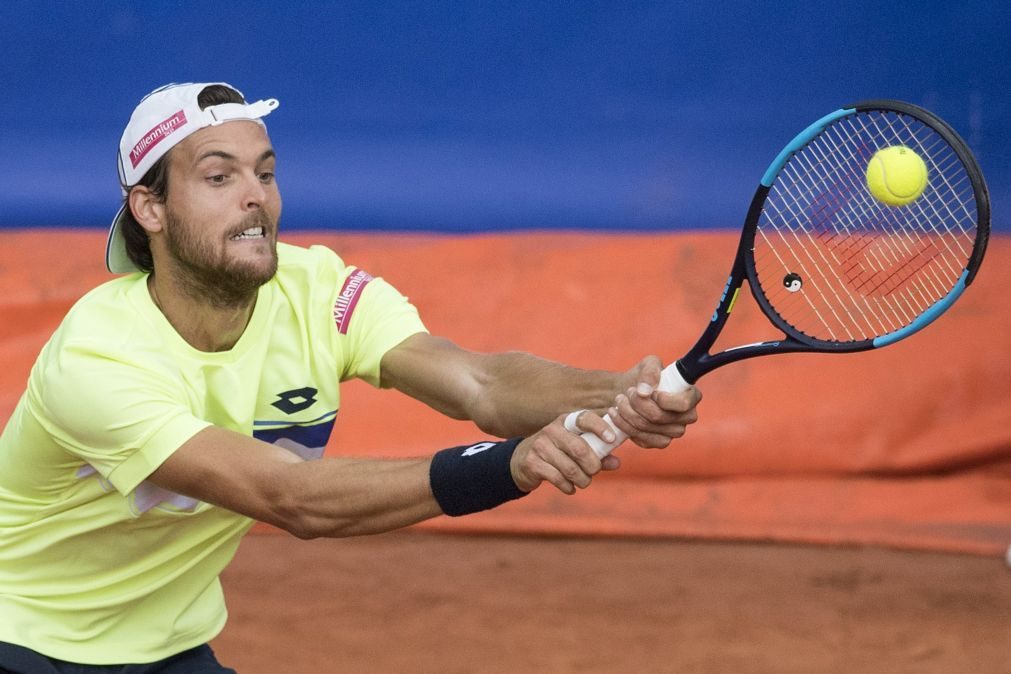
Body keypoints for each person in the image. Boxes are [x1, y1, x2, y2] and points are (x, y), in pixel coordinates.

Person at [0, 82, 702, 672]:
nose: (256, 197)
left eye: (265, 172)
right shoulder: (97, 358)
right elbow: (293, 497)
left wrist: (615, 395)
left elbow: (479, 383)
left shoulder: (319, 289)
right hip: (23, 637)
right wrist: (508, 467)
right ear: (149, 208)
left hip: (169, 643)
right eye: (219, 177)